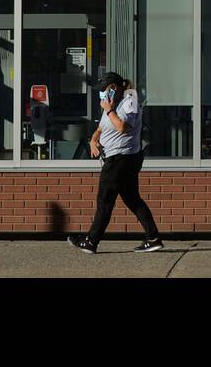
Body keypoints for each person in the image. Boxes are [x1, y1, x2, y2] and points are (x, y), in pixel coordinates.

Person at [67, 71, 164, 254]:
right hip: (118, 159)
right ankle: (153, 238)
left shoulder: (129, 100)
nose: (101, 94)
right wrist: (93, 140)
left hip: (121, 159)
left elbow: (123, 128)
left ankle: (91, 242)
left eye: (104, 90)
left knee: (105, 200)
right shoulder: (111, 105)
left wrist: (109, 109)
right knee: (133, 200)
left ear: (113, 88)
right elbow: (100, 128)